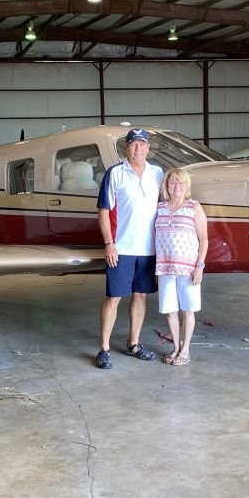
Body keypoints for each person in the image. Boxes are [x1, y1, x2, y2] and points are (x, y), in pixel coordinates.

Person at [95, 128, 165, 370]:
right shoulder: (115, 173)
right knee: (113, 297)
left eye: (142, 144)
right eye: (133, 144)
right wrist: (109, 244)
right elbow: (103, 211)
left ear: (148, 148)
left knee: (141, 295)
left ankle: (133, 343)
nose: (138, 148)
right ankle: (104, 349)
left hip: (148, 249)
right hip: (121, 248)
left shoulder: (157, 173)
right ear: (126, 148)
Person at [154, 167, 208, 366]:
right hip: (165, 267)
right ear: (167, 185)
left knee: (188, 310)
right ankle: (175, 347)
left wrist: (199, 266)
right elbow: (155, 237)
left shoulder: (193, 207)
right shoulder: (160, 207)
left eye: (181, 183)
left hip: (188, 268)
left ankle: (185, 350)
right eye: (173, 182)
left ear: (187, 186)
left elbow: (204, 239)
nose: (177, 186)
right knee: (170, 310)